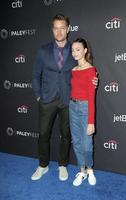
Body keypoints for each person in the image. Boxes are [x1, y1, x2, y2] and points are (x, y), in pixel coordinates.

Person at [31, 14, 98, 181]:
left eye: (63, 27)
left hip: (68, 101)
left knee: (66, 135)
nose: (59, 31)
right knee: (43, 134)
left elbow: (84, 68)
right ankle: (43, 165)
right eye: (56, 28)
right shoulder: (42, 51)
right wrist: (38, 96)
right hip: (46, 100)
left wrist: (93, 80)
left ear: (68, 29)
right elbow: (35, 75)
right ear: (52, 30)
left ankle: (62, 165)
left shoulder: (75, 50)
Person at [69, 38, 97, 186]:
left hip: (85, 108)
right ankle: (82, 170)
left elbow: (91, 97)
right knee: (77, 142)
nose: (74, 53)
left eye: (78, 49)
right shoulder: (73, 70)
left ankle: (90, 169)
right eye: (73, 50)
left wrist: (91, 121)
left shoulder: (91, 70)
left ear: (85, 50)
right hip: (72, 107)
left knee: (87, 144)